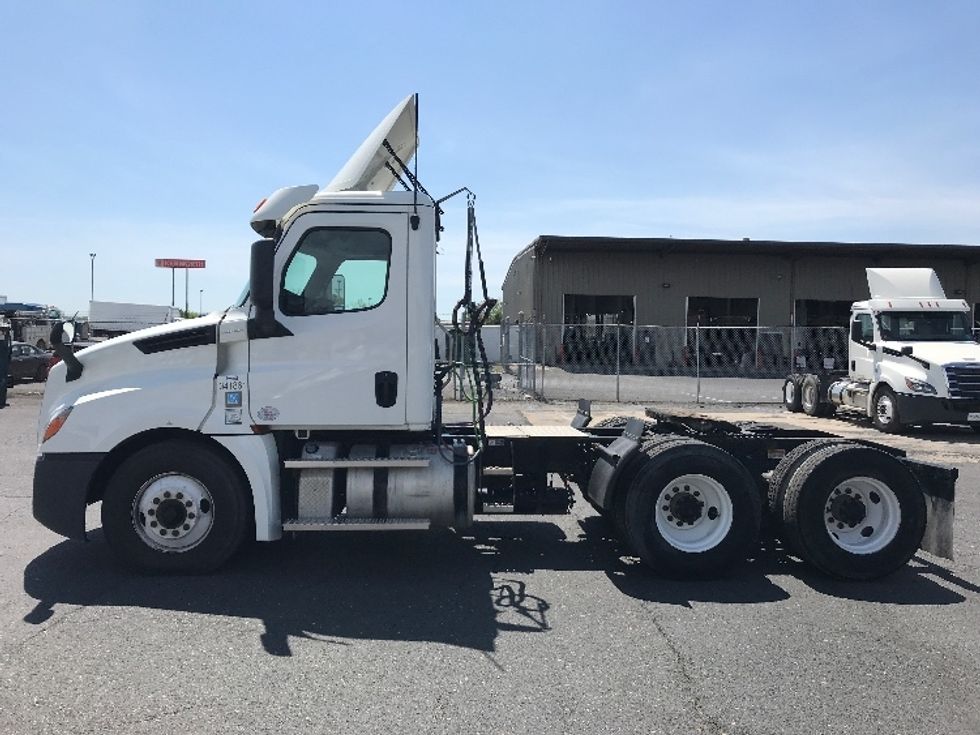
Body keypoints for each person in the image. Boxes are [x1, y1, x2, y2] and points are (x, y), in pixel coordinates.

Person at [0, 325, 11, 408]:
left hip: (4, 367)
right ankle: (2, 401)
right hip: (2, 367)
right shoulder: (3, 344)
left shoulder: (5, 342)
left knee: (3, 384)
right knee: (2, 383)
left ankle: (2, 401)